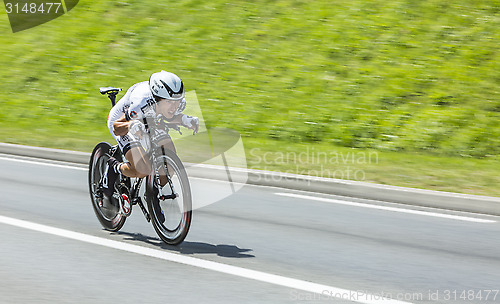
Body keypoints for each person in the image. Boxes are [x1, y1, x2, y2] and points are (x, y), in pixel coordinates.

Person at [101, 71, 199, 197]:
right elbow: (117, 128)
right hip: (125, 121)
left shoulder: (176, 103)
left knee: (170, 155)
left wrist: (185, 120)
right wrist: (131, 125)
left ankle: (152, 195)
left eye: (177, 102)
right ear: (157, 99)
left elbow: (169, 115)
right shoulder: (140, 103)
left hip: (150, 118)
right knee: (143, 170)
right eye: (169, 102)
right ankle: (114, 166)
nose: (174, 107)